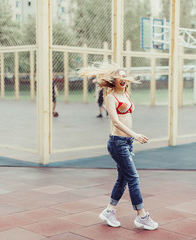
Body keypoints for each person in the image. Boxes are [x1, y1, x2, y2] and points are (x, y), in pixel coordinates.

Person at [78, 61, 158, 230]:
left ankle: (109, 211)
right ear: (113, 81)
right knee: (133, 178)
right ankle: (142, 215)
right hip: (117, 143)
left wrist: (132, 138)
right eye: (119, 77)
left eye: (124, 77)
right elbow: (115, 121)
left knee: (123, 179)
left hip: (127, 143)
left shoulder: (126, 95)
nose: (123, 79)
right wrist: (134, 134)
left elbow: (127, 116)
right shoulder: (110, 97)